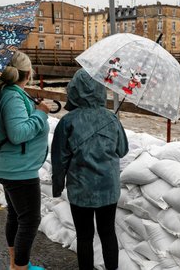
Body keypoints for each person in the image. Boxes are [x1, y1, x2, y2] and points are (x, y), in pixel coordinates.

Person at [51, 69, 129, 270]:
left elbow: (59, 159)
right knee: (108, 233)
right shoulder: (112, 119)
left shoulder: (68, 121)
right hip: (108, 189)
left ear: (74, 91)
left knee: (84, 236)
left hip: (81, 190)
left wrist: (57, 186)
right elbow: (122, 150)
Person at [0, 50, 50, 270]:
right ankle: (20, 267)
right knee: (30, 220)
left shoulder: (7, 92)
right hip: (19, 170)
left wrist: (33, 108)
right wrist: (41, 113)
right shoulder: (12, 95)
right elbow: (17, 134)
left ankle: (15, 263)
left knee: (16, 215)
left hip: (10, 165)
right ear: (27, 73)